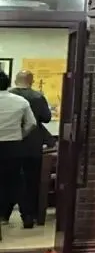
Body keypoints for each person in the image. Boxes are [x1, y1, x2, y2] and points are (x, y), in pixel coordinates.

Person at [10, 71, 52, 228]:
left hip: (11, 142)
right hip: (32, 144)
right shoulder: (38, 97)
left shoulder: (8, 96)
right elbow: (46, 118)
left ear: (15, 80)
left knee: (10, 179)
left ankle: (5, 213)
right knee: (32, 180)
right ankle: (30, 214)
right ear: (31, 81)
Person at [0, 71, 35, 228]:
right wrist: (20, 134)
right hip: (13, 146)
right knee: (17, 182)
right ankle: (27, 216)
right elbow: (31, 123)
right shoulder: (20, 101)